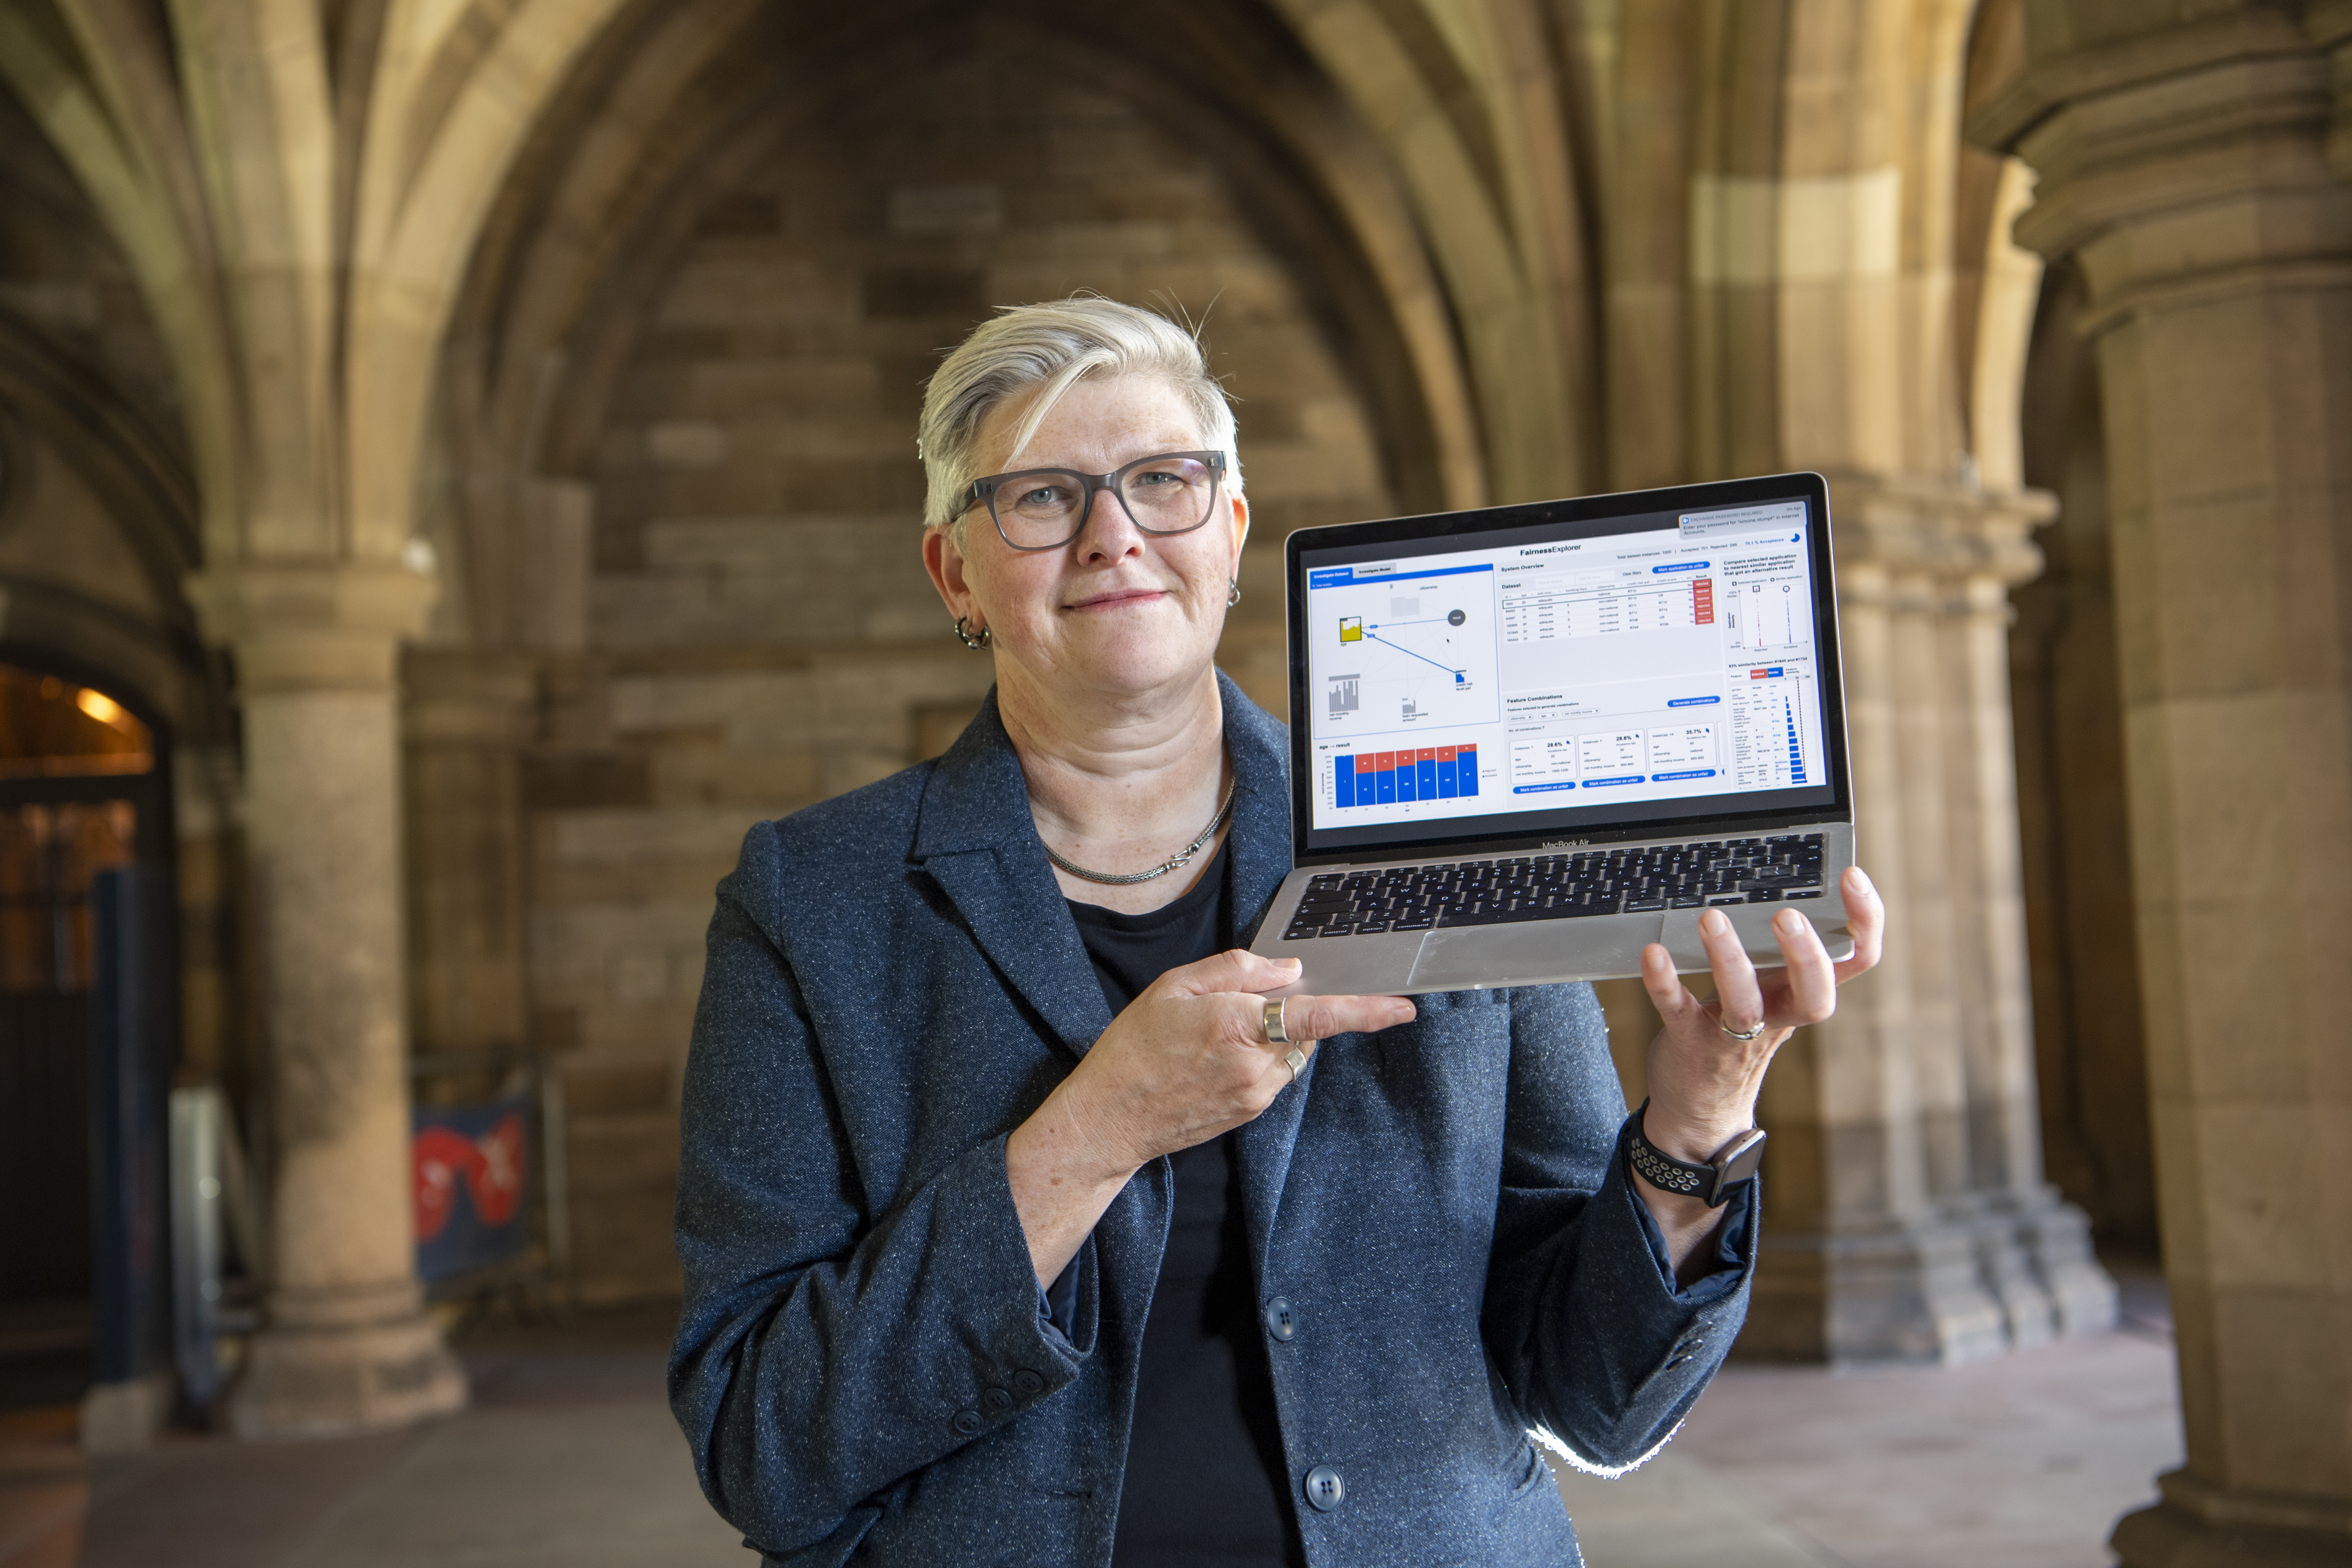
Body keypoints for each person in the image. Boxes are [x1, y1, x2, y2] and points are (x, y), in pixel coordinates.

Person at [669, 297, 1885, 1568]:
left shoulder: (1453, 848)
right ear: (953, 573)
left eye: (1163, 481)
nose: (1113, 536)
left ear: (1232, 530)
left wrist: (1695, 1124)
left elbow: (1594, 1400)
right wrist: (1096, 1130)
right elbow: (767, 1447)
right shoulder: (813, 903)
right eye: (1040, 498)